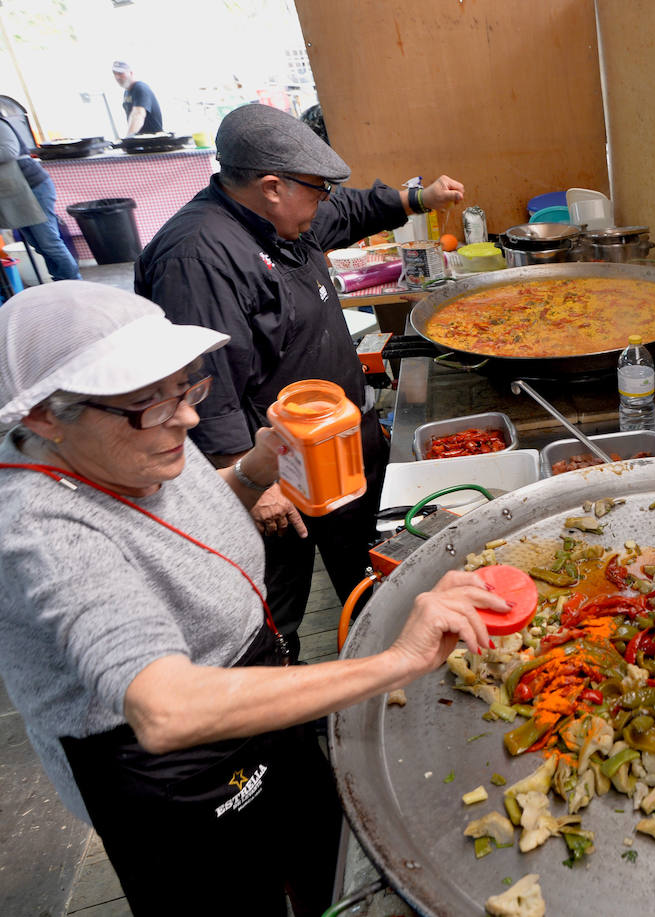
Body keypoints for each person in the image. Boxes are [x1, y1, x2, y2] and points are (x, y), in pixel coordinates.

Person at [0, 281, 509, 917]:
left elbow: (179, 520)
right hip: (170, 776)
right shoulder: (44, 534)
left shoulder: (129, 435)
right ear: (45, 416)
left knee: (332, 863)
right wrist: (397, 661)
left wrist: (253, 471)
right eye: (150, 404)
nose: (184, 419)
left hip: (262, 693)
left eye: (187, 387)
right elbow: (166, 709)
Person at [134, 102, 466, 659]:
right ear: (271, 186)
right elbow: (203, 389)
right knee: (275, 596)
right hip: (275, 472)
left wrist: (416, 198)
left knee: (364, 569)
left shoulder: (284, 219)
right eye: (316, 190)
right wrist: (251, 480)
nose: (324, 203)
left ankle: (375, 662)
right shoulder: (198, 258)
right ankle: (282, 705)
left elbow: (349, 211)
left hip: (337, 448)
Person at [0, 106, 81, 281]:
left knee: (49, 242)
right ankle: (61, 281)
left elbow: (9, 151)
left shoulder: (1, 125)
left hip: (33, 187)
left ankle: (73, 283)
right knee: (38, 244)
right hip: (17, 193)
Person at [111, 60, 162, 135]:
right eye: (115, 73)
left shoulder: (140, 88)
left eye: (121, 73)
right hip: (140, 140)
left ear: (131, 73)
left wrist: (128, 139)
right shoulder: (127, 92)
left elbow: (138, 114)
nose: (117, 77)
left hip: (153, 141)